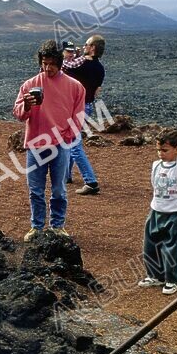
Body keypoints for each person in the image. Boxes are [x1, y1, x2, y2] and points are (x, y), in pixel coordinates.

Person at [13, 39, 86, 241]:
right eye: (44, 64)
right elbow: (18, 113)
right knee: (35, 190)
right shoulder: (30, 85)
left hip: (60, 145)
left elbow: (78, 117)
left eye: (52, 64)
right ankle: (36, 227)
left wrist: (65, 138)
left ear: (60, 62)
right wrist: (27, 106)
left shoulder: (75, 87)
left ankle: (57, 226)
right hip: (35, 144)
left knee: (59, 189)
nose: (47, 68)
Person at [138, 129, 177, 295]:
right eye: (158, 150)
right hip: (156, 211)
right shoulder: (156, 165)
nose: (160, 154)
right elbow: (154, 184)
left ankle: (173, 279)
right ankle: (155, 275)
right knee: (150, 244)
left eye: (165, 150)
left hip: (175, 214)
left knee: (171, 247)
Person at [62, 34, 106, 195]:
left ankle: (91, 181)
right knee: (70, 140)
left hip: (76, 108)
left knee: (74, 144)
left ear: (92, 47)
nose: (84, 46)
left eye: (87, 44)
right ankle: (66, 175)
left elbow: (65, 66)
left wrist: (71, 55)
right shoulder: (100, 68)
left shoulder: (83, 65)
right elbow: (96, 92)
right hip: (87, 107)